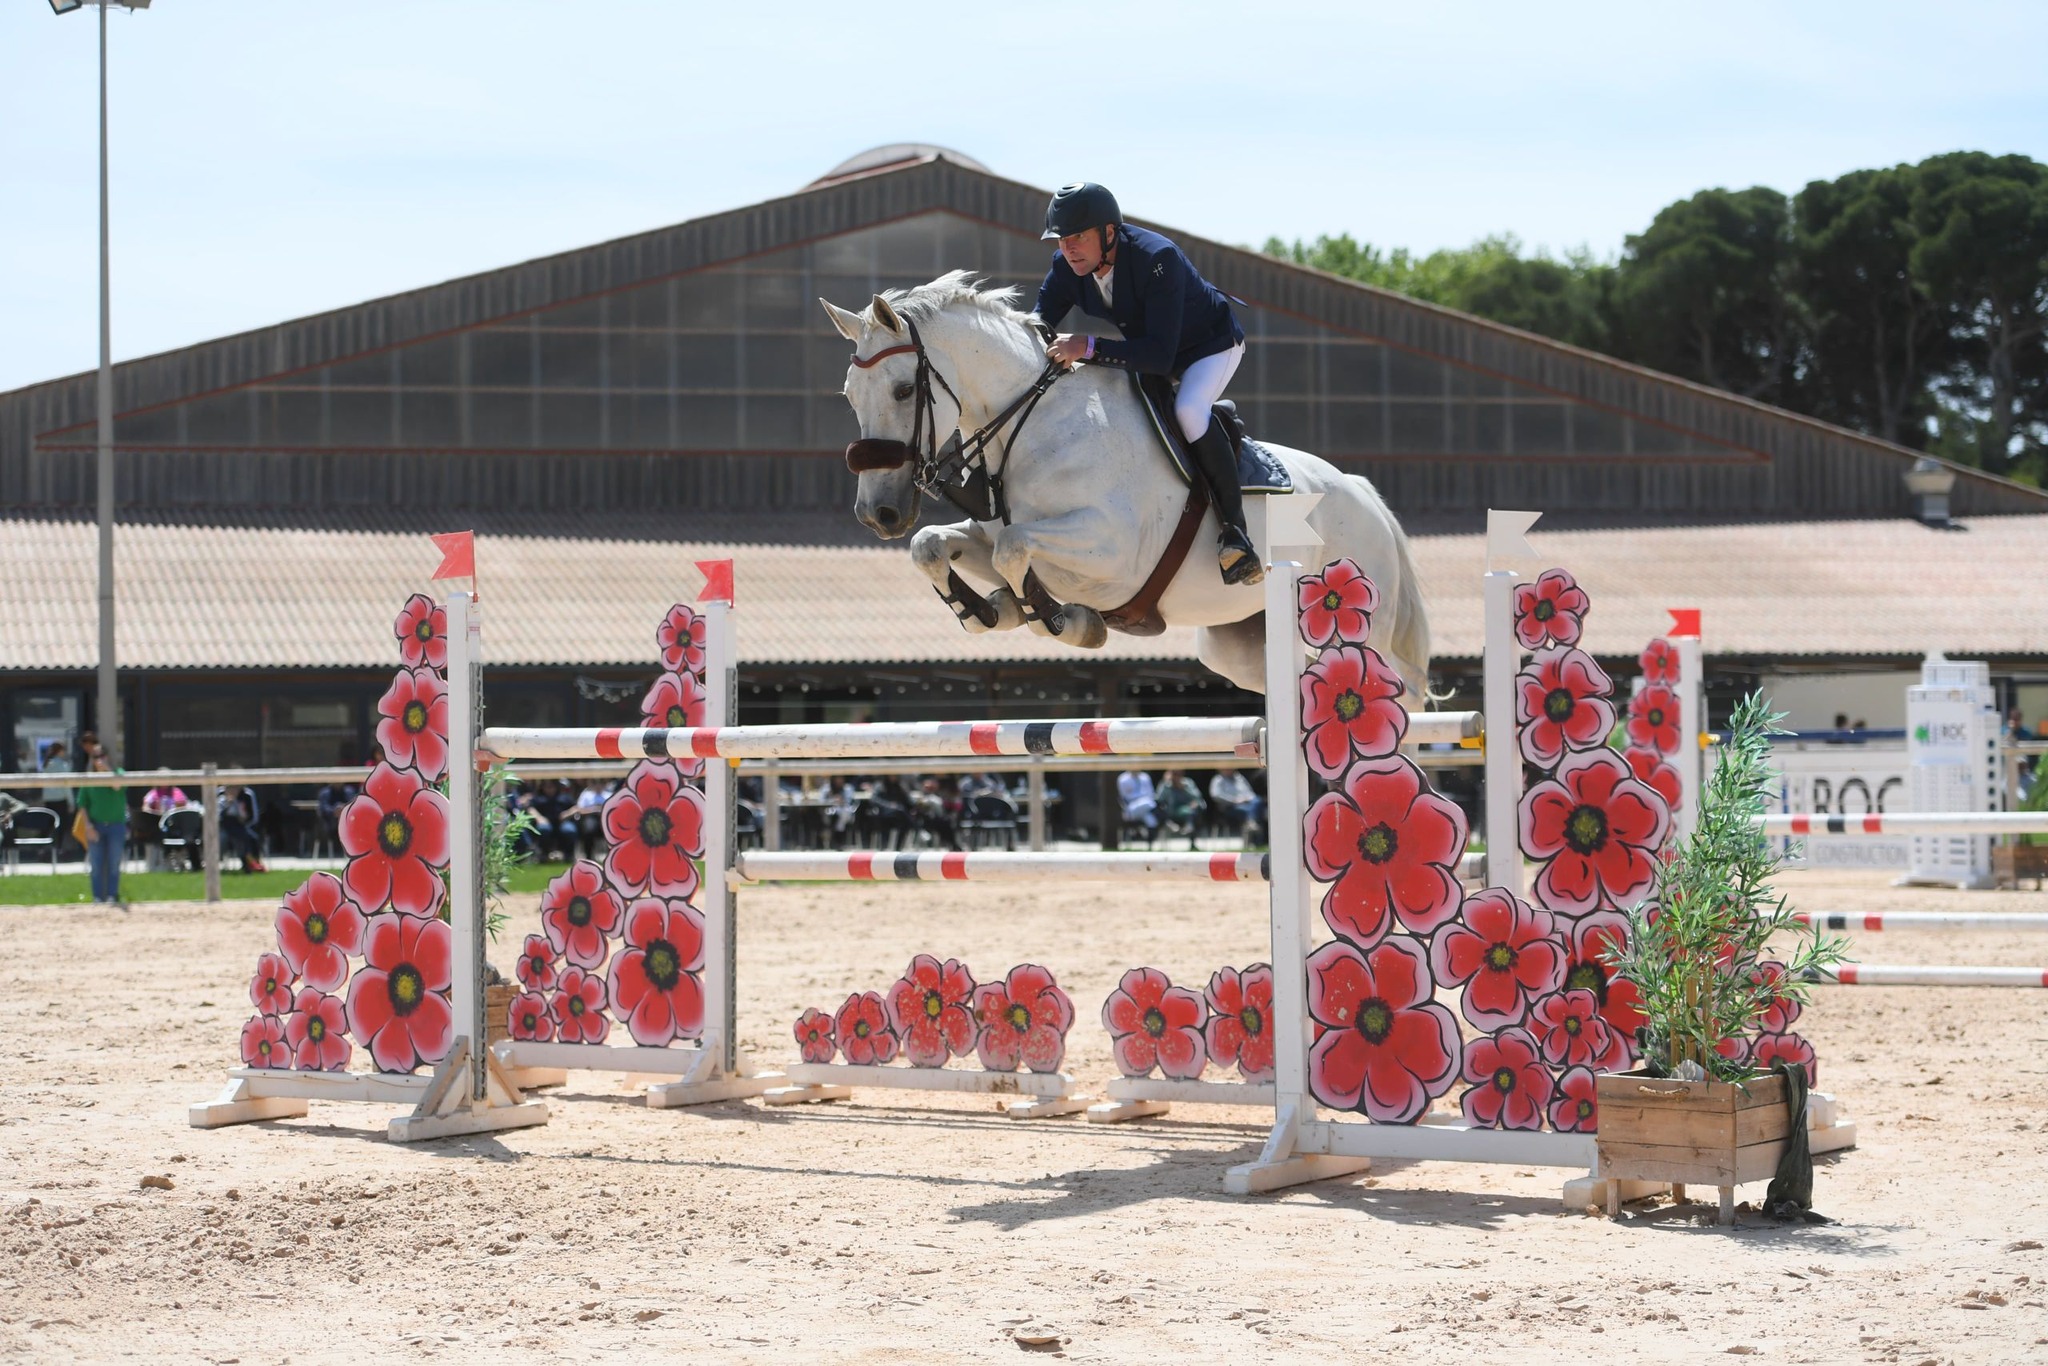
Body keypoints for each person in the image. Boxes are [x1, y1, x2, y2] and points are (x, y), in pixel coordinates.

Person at [1031, 182, 1261, 587]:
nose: (1069, 248)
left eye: (1078, 237)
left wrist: (1085, 346)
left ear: (1108, 233)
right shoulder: (1066, 266)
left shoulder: (1159, 259)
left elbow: (1158, 357)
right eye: (1062, 239)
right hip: (1153, 350)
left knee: (1188, 411)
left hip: (1209, 348)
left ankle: (1236, 536)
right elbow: (1039, 324)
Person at [77, 751, 129, 907]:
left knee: (114, 863)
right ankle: (97, 898)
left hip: (116, 826)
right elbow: (82, 805)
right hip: (96, 826)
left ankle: (112, 895)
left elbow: (117, 785)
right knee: (96, 864)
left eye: (102, 756)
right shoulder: (88, 777)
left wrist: (107, 768)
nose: (99, 760)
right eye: (95, 757)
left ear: (108, 757)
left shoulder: (118, 773)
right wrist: (88, 826)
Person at [1208, 768, 1264, 843]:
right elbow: (1216, 795)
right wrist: (1233, 800)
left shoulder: (1239, 777)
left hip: (1246, 803)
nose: (1230, 770)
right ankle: (1252, 825)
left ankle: (1252, 824)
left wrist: (1246, 798)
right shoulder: (1218, 779)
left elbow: (1249, 793)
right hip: (1229, 807)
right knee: (1250, 811)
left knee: (1257, 800)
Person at [1156, 769, 1206, 848]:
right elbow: (1159, 799)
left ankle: (1189, 828)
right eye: (1174, 774)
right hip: (1171, 812)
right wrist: (1165, 783)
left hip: (1189, 810)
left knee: (1193, 812)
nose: (1177, 776)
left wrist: (1184, 788)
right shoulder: (1166, 785)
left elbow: (1197, 797)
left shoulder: (1188, 782)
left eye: (1179, 774)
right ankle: (1184, 826)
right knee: (1159, 810)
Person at [1116, 768, 1159, 840]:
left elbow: (1150, 793)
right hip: (1131, 806)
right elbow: (1124, 796)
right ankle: (1154, 808)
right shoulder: (1123, 778)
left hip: (1144, 807)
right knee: (1149, 804)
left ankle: (1148, 841)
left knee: (1150, 819)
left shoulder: (1145, 777)